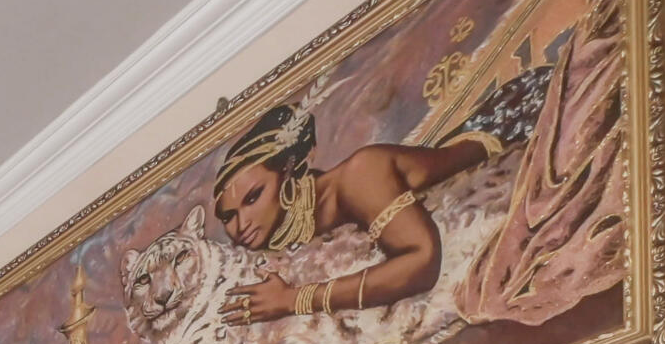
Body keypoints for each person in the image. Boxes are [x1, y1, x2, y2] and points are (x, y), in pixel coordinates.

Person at [213, 76, 545, 327]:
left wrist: (295, 300)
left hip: (521, 117)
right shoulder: (281, 240)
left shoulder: (360, 175)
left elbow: (422, 260)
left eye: (253, 197)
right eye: (227, 216)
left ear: (287, 172)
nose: (239, 225)